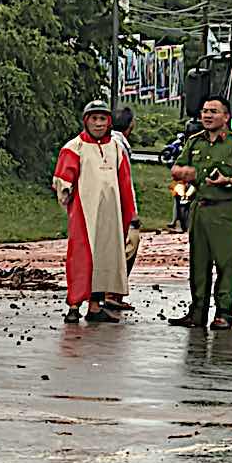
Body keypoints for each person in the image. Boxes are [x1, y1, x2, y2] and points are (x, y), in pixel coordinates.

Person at [168, 96, 232, 330]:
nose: (207, 116)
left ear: (226, 117)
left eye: (213, 111)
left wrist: (227, 179)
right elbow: (176, 167)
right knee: (198, 263)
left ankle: (224, 313)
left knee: (226, 263)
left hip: (224, 209)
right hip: (199, 207)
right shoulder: (194, 142)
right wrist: (183, 172)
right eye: (205, 111)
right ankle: (197, 312)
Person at [53, 100, 137, 324]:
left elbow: (125, 183)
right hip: (84, 214)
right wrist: (70, 204)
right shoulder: (74, 147)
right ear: (86, 121)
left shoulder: (116, 148)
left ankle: (95, 305)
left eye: (103, 119)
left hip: (110, 214)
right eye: (94, 119)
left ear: (109, 122)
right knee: (80, 258)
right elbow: (62, 181)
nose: (99, 124)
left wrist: (130, 215)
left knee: (106, 258)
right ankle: (73, 306)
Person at [106, 106, 141, 312]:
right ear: (131, 125)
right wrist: (133, 213)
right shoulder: (120, 146)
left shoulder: (109, 142)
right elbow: (124, 182)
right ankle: (113, 293)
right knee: (128, 247)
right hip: (119, 206)